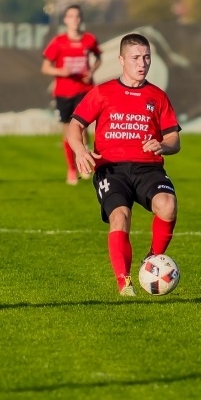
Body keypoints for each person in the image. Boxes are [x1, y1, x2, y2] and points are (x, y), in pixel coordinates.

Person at [66, 33, 181, 297]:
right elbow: (75, 126)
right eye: (136, 58)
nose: (143, 63)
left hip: (148, 168)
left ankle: (152, 260)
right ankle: (124, 282)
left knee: (168, 206)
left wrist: (162, 145)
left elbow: (174, 139)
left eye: (147, 57)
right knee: (120, 216)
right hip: (111, 168)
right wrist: (80, 150)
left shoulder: (158, 96)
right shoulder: (103, 92)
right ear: (121, 60)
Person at [41, 5, 102, 185]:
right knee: (68, 131)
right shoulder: (58, 42)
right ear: (65, 20)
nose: (74, 19)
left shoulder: (89, 40)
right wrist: (61, 71)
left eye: (77, 16)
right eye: (70, 16)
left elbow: (98, 57)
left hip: (84, 91)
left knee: (83, 130)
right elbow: (45, 67)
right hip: (64, 93)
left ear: (80, 19)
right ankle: (71, 168)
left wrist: (91, 71)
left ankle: (84, 164)